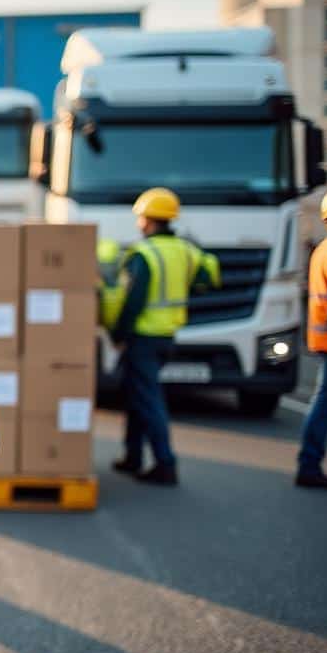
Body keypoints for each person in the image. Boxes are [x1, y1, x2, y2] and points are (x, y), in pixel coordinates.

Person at [108, 187, 219, 487]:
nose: (138, 222)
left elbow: (133, 301)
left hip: (143, 336)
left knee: (149, 399)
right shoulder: (185, 250)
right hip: (167, 335)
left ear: (149, 219)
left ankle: (165, 464)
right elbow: (206, 279)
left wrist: (119, 333)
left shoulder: (145, 254)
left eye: (141, 217)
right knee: (136, 396)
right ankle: (132, 456)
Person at [298, 188, 327, 489]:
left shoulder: (324, 249)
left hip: (326, 341)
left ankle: (309, 464)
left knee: (322, 401)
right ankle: (309, 465)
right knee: (324, 402)